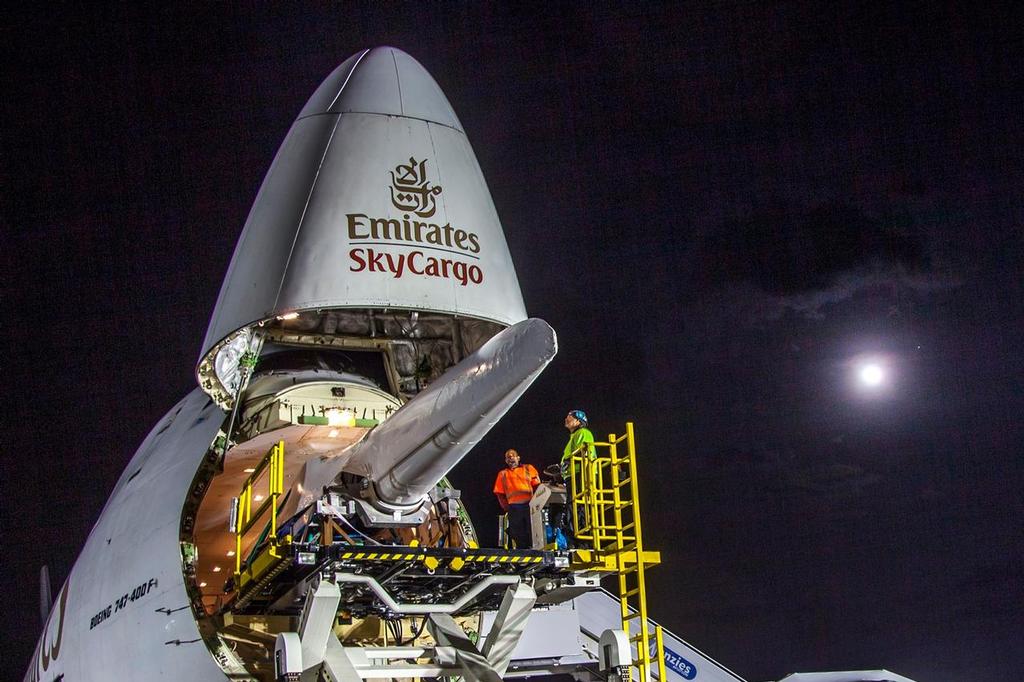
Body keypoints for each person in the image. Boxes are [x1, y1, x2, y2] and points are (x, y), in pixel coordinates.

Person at [560, 409, 595, 543]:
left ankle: (582, 539)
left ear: (578, 421)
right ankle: (575, 537)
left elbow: (584, 451)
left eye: (569, 417)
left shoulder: (583, 433)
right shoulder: (573, 437)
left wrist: (568, 462)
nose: (566, 419)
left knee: (579, 506)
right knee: (572, 506)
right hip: (573, 475)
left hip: (581, 474)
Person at [493, 448, 540, 549]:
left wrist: (536, 503)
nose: (510, 458)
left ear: (518, 458)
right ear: (506, 461)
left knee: (532, 530)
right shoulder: (502, 474)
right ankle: (523, 552)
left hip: (529, 506)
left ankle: (534, 548)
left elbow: (537, 486)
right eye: (508, 457)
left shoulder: (528, 468)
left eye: (513, 455)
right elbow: (499, 494)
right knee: (517, 532)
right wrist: (507, 507)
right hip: (514, 507)